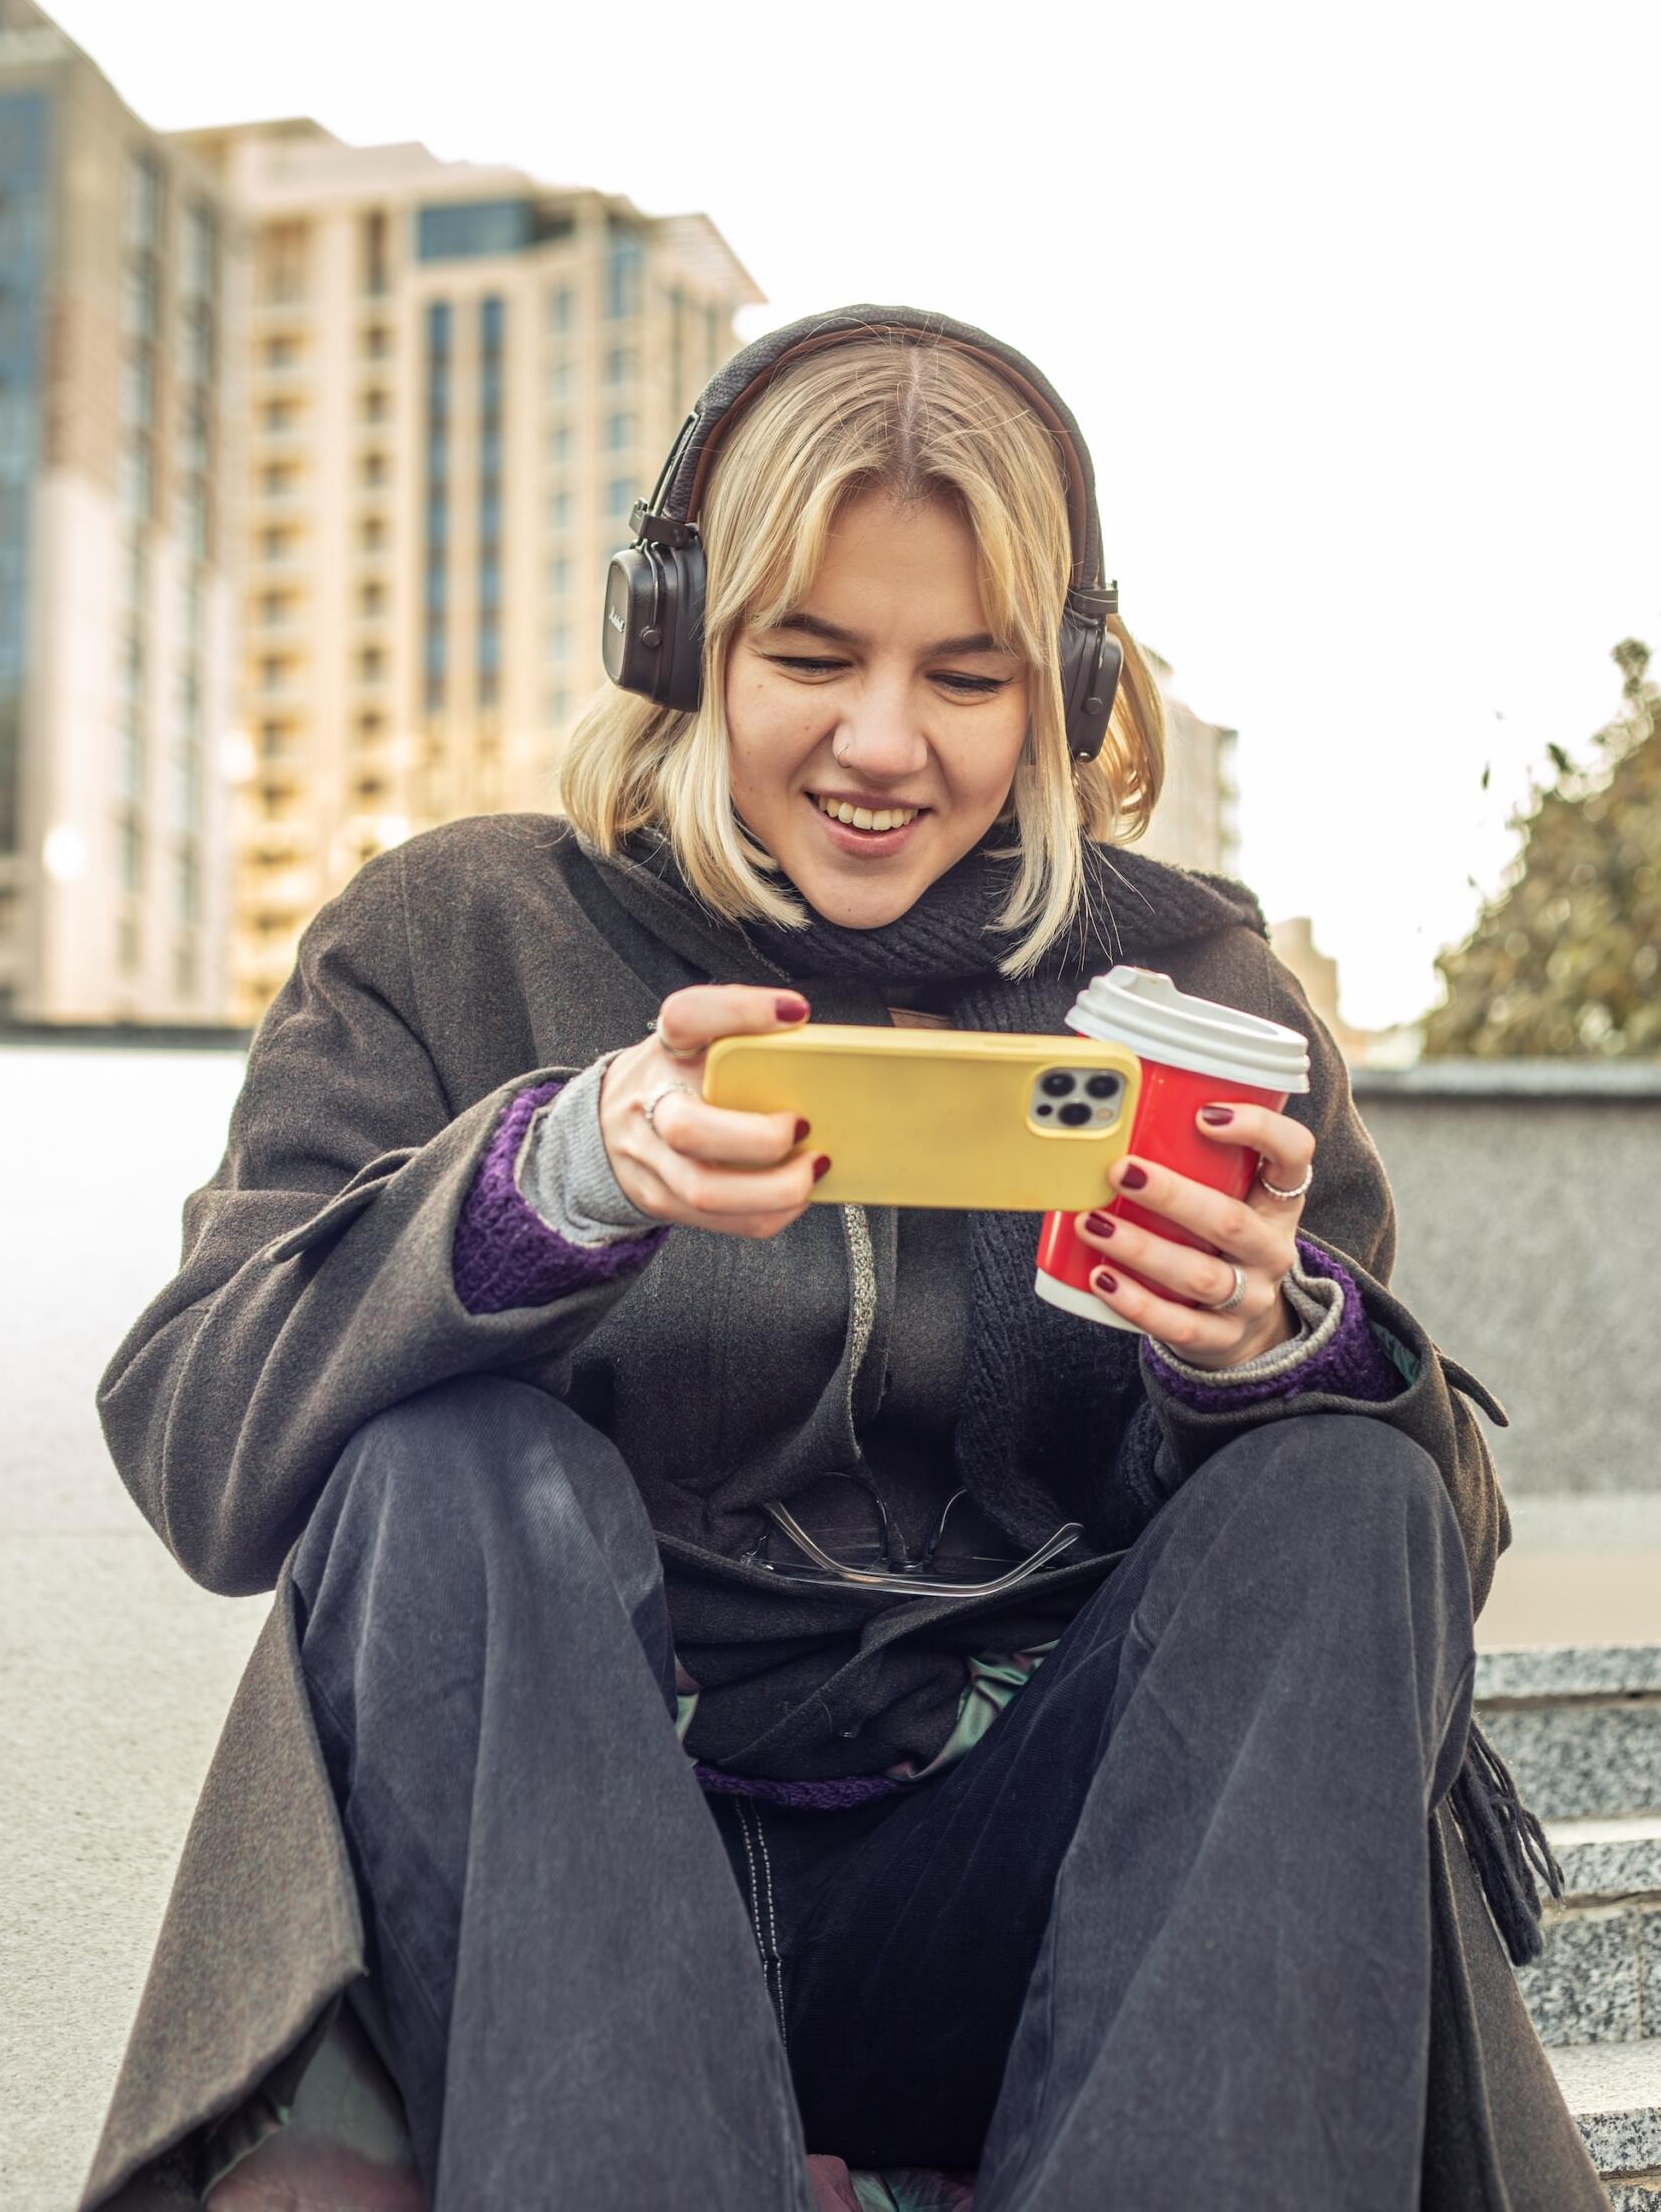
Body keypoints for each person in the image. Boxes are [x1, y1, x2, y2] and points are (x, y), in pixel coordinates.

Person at [82, 307, 1603, 2212]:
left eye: (966, 677)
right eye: (811, 657)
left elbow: (1425, 1565)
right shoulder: (453, 936)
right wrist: (559, 1175)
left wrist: (1271, 1352)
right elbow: (202, 1443)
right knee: (449, 1463)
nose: (883, 745)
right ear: (681, 642)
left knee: (1345, 1489)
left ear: (1062, 693)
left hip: (1039, 1891)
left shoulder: (1205, 993)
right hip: (559, 1890)